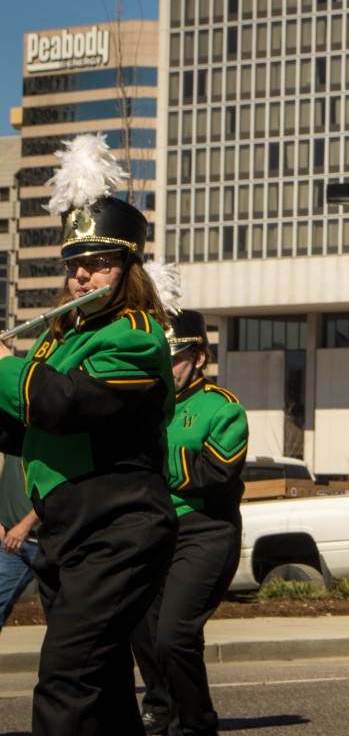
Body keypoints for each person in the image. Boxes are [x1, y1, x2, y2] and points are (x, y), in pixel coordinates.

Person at [0, 134, 177, 735]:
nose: (81, 277)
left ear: (128, 267)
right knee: (98, 688)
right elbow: (22, 424)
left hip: (119, 522)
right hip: (67, 526)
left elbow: (64, 403)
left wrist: (2, 367)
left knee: (67, 678)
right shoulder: (60, 339)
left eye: (98, 262)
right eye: (74, 264)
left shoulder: (135, 332)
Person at [132, 296, 248, 736]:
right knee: (143, 633)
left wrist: (154, 456)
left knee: (174, 634)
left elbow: (215, 473)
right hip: (153, 528)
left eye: (175, 357)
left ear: (198, 357)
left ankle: (197, 723)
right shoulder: (144, 402)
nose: (168, 366)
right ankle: (164, 708)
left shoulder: (224, 407)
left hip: (205, 532)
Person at [0, 454, 38, 631]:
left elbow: (60, 490)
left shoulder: (51, 433)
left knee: (64, 617)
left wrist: (25, 525)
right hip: (11, 543)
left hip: (50, 542)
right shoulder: (11, 431)